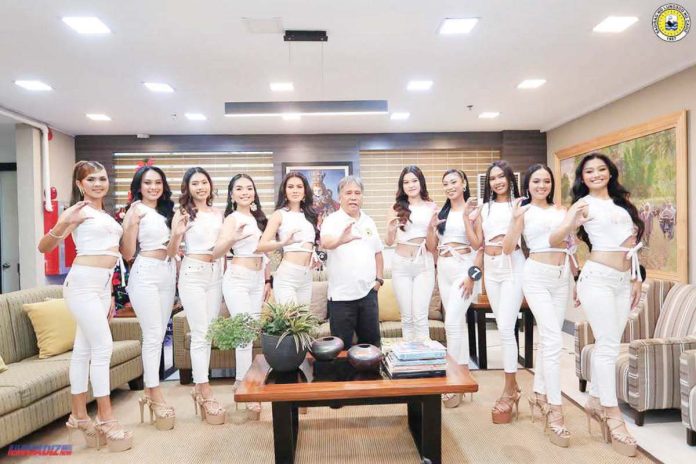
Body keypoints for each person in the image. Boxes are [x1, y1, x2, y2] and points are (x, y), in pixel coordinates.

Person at [551, 152, 643, 457]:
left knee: (612, 344)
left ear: (610, 173)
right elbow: (555, 238)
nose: (596, 174)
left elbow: (631, 247)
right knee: (606, 346)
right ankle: (612, 415)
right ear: (582, 177)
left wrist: (637, 278)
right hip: (597, 278)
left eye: (601, 169)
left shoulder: (621, 205)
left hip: (623, 280)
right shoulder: (582, 204)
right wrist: (571, 221)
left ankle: (593, 398)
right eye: (589, 171)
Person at [38, 161, 132, 452]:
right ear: (79, 184)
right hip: (80, 285)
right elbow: (44, 248)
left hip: (102, 287)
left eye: (102, 178)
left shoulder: (104, 214)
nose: (97, 183)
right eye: (90, 179)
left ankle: (78, 415)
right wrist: (63, 222)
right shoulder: (78, 212)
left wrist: (111, 296)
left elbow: (119, 254)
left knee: (84, 350)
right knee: (103, 348)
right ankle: (106, 417)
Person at [503, 164, 575, 447]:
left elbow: (569, 246)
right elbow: (509, 247)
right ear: (528, 185)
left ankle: (539, 395)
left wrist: (576, 278)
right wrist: (513, 221)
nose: (542, 185)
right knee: (555, 339)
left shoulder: (561, 210)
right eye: (536, 181)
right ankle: (555, 411)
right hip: (536, 276)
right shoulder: (524, 211)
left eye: (546, 181)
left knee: (548, 341)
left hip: (562, 277)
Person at [167, 167, 226, 425]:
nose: (201, 187)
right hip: (193, 272)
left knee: (208, 332)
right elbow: (171, 251)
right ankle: (204, 389)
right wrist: (177, 234)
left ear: (210, 186)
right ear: (187, 188)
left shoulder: (218, 213)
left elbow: (224, 246)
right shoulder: (182, 213)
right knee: (200, 333)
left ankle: (200, 388)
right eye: (195, 183)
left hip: (217, 274)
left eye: (204, 182)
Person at [468, 160, 524, 424]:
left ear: (510, 179)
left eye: (502, 177)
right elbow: (478, 243)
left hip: (512, 265)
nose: (497, 182)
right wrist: (469, 220)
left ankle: (509, 388)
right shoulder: (485, 207)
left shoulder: (519, 205)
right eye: (492, 178)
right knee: (503, 325)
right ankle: (512, 387)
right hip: (491, 268)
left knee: (505, 328)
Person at [121, 166, 176, 431]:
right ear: (139, 186)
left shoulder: (167, 211)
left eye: (158, 182)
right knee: (153, 334)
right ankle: (153, 391)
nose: (153, 187)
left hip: (168, 272)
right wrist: (131, 224)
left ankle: (151, 389)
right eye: (147, 183)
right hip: (146, 273)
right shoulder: (136, 210)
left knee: (159, 331)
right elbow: (128, 252)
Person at [212, 174, 271, 423]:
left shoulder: (259, 219)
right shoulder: (231, 219)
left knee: (250, 333)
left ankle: (241, 383)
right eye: (239, 188)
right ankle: (246, 388)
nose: (245, 192)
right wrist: (232, 239)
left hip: (257, 280)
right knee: (244, 335)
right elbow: (216, 251)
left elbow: (265, 252)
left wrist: (268, 280)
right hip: (238, 278)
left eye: (249, 187)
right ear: (232, 194)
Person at [320, 175, 384, 349]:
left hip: (368, 295)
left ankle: (371, 377)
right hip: (341, 298)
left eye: (357, 193)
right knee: (341, 349)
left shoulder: (369, 221)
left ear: (362, 196)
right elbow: (325, 242)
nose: (353, 197)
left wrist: (378, 280)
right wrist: (341, 239)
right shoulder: (331, 220)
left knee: (371, 348)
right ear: (340, 196)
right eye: (348, 193)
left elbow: (378, 252)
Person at [435, 169, 480, 408]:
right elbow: (433, 246)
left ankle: (454, 379)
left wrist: (472, 277)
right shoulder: (441, 213)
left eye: (454, 182)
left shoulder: (473, 210)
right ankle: (463, 376)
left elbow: (478, 245)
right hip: (443, 267)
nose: (450, 186)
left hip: (464, 269)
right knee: (457, 324)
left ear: (463, 183)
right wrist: (432, 226)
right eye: (445, 184)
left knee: (452, 322)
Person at [385, 166, 439, 343]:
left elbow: (433, 247)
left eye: (414, 180)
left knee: (420, 316)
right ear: (402, 186)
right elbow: (389, 241)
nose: (411, 185)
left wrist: (431, 229)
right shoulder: (396, 208)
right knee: (407, 317)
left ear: (421, 182)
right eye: (406, 182)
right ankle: (409, 360)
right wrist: (391, 230)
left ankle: (425, 361)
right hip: (401, 264)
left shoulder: (432, 207)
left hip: (424, 263)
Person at [257, 172, 319, 306]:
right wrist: (283, 243)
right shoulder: (279, 214)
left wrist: (315, 254)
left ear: (305, 191)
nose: (295, 190)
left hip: (306, 276)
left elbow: (312, 242)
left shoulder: (311, 215)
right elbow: (261, 245)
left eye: (299, 186)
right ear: (284, 191)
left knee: (302, 324)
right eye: (290, 187)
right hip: (287, 276)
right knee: (290, 323)